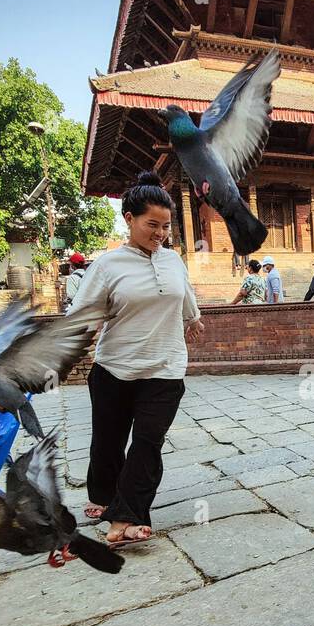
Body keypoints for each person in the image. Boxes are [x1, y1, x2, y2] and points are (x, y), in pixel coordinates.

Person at [67, 171, 204, 546]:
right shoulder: (108, 266)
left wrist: (193, 319)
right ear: (129, 218)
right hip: (114, 368)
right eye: (151, 225)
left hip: (165, 368)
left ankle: (127, 516)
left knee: (147, 442)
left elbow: (185, 297)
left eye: (165, 226)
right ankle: (101, 494)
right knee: (109, 441)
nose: (159, 234)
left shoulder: (173, 260)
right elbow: (82, 317)